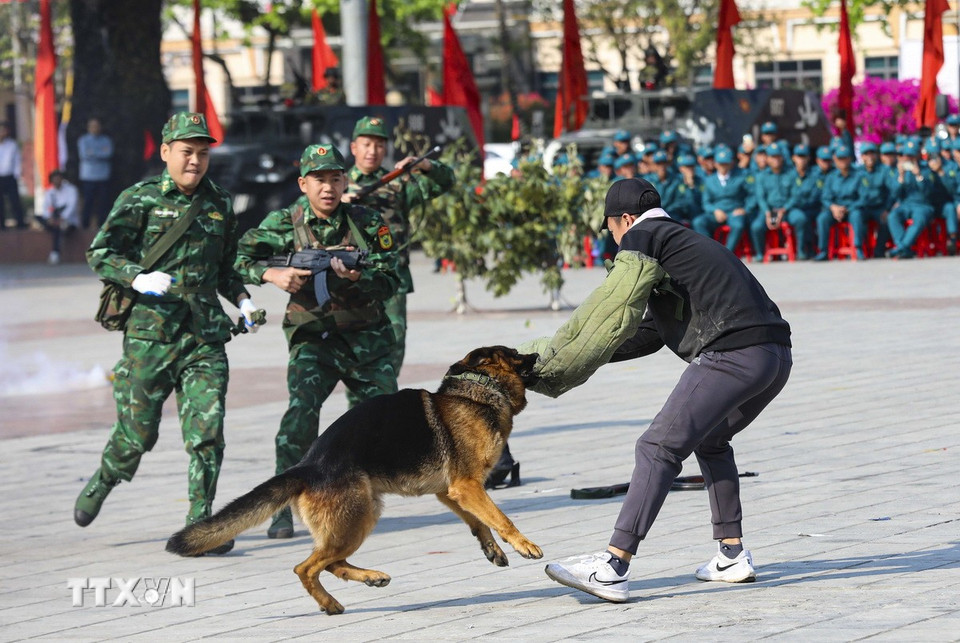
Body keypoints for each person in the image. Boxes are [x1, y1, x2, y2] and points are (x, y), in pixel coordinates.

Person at [520, 177, 791, 603]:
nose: (612, 239)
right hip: (774, 358)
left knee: (657, 447)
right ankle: (732, 555)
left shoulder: (643, 236)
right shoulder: (681, 242)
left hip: (731, 354)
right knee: (712, 440)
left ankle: (613, 566)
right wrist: (592, 356)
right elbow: (645, 333)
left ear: (625, 219)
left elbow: (607, 310)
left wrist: (549, 360)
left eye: (610, 228)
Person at [76, 113, 260, 556]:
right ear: (165, 153)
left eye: (202, 153)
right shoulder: (138, 198)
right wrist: (136, 277)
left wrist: (245, 301)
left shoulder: (219, 202)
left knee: (207, 431)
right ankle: (106, 477)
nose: (195, 161)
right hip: (149, 338)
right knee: (137, 436)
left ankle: (201, 524)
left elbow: (227, 267)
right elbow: (100, 251)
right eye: (187, 152)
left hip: (203, 337)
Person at [234, 143, 400, 539]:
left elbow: (392, 278)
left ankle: (355, 501)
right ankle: (281, 506)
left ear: (345, 181)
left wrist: (361, 277)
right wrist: (271, 275)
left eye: (335, 179)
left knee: (381, 424)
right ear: (303, 183)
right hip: (314, 341)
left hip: (367, 341)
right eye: (319, 180)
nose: (328, 188)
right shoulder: (283, 221)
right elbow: (238, 257)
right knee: (299, 420)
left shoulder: (366, 221)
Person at [344, 116, 454, 389]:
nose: (372, 151)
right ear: (353, 147)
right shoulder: (337, 184)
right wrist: (339, 202)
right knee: (353, 352)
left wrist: (425, 165)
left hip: (392, 280)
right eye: (366, 144)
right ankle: (357, 413)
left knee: (393, 346)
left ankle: (382, 407)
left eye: (379, 145)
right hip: (349, 280)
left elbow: (446, 182)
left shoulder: (397, 184)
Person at [692, 145, 755, 253]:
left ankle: (727, 253)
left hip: (734, 212)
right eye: (721, 164)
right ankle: (709, 252)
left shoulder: (740, 176)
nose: (723, 167)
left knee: (738, 225)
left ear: (731, 164)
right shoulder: (709, 180)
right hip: (716, 212)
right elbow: (706, 202)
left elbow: (752, 195)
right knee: (698, 222)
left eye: (726, 164)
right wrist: (715, 210)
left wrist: (745, 209)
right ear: (716, 164)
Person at [814, 144, 866, 261]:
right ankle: (823, 251)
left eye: (845, 158)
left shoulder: (858, 175)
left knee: (857, 216)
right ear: (835, 160)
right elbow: (825, 197)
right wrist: (833, 208)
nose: (842, 161)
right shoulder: (831, 177)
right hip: (835, 210)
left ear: (850, 159)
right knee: (822, 218)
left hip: (851, 208)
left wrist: (847, 208)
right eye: (840, 158)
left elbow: (863, 198)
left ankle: (858, 248)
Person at [749, 145, 795, 260]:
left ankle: (801, 251)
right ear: (767, 159)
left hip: (786, 210)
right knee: (756, 226)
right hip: (768, 210)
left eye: (778, 157)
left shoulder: (790, 174)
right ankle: (760, 253)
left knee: (800, 219)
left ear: (782, 158)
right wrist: (767, 213)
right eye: (772, 157)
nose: (775, 160)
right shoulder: (761, 176)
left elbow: (795, 196)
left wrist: (784, 209)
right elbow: (761, 197)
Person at [78, 117, 115, 229]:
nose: (95, 128)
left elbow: (108, 154)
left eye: (97, 126)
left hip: (103, 176)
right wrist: (100, 153)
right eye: (93, 126)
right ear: (88, 128)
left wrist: (93, 153)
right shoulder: (83, 140)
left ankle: (102, 225)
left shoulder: (106, 140)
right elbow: (84, 155)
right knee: (88, 201)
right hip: (88, 176)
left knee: (103, 202)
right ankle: (85, 225)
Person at [36, 169, 80, 264]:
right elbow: (45, 208)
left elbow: (72, 207)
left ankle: (55, 253)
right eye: (54, 179)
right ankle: (55, 252)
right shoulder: (50, 192)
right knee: (39, 218)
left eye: (58, 179)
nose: (56, 181)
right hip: (54, 221)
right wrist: (49, 218)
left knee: (58, 227)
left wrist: (62, 218)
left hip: (68, 222)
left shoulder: (71, 190)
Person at [0, 122, 26, 230]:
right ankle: (2, 225)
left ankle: (20, 223)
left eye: (4, 130)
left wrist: (17, 174)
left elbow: (17, 161)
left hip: (10, 176)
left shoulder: (12, 145)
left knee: (14, 201)